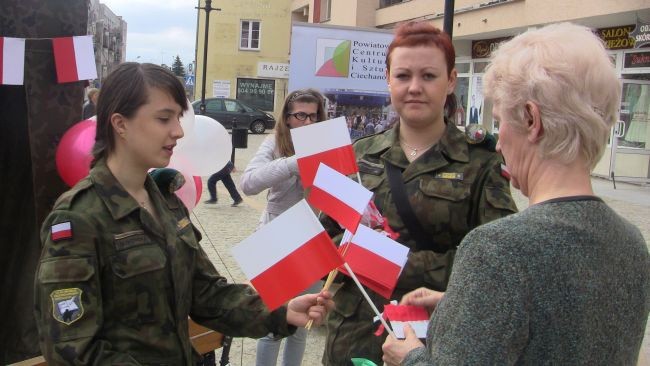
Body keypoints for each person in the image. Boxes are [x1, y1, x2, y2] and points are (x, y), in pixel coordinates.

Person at [382, 23, 650, 366]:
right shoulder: (630, 242)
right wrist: (461, 306)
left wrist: (410, 358)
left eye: (499, 120)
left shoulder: (498, 249)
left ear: (530, 119)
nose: (501, 138)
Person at [33, 63, 334, 365]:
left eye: (178, 117)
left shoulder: (167, 200)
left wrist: (282, 312)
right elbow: (72, 349)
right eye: (164, 118)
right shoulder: (78, 218)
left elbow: (207, 294)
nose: (178, 131)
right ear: (120, 124)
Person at [321, 21, 517, 365]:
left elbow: (500, 262)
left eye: (428, 76)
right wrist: (352, 256)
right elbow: (327, 243)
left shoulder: (481, 162)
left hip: (436, 337)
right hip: (355, 336)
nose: (414, 87)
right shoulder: (356, 155)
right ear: (388, 80)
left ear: (451, 80)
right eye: (403, 76)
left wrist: (401, 266)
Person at [240, 88, 327, 366]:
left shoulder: (325, 145)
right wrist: (292, 163)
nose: (308, 122)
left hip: (310, 235)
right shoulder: (274, 143)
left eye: (313, 116)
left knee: (301, 327)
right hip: (276, 234)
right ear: (288, 118)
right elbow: (248, 183)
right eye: (300, 115)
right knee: (272, 324)